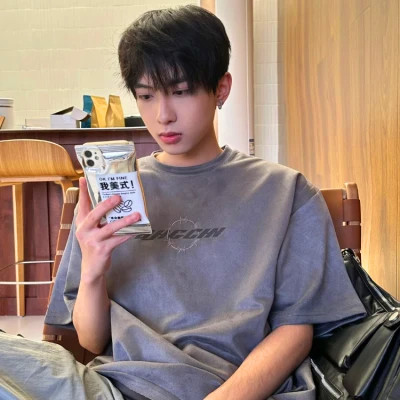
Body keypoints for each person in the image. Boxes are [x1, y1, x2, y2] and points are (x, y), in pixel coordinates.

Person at [0, 5, 365, 400]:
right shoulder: (113, 194)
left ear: (221, 89)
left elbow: (296, 331)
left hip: (229, 389)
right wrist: (92, 270)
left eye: (181, 92)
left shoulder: (284, 192)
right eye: (146, 96)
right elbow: (91, 340)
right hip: (113, 388)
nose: (163, 115)